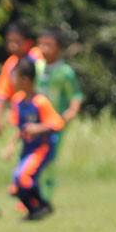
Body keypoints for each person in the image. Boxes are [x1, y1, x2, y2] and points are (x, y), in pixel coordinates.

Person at [1, 58, 65, 221]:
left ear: (25, 80)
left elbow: (58, 123)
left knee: (23, 177)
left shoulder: (40, 102)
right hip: (27, 150)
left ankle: (40, 207)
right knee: (15, 184)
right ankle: (37, 209)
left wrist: (38, 128)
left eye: (14, 76)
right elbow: (20, 129)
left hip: (42, 148)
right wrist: (10, 146)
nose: (11, 81)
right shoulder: (18, 101)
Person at [34, 29, 83, 204]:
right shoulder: (36, 67)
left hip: (55, 124)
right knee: (31, 159)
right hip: (36, 122)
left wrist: (71, 111)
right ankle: (29, 198)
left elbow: (75, 95)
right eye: (41, 44)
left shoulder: (65, 72)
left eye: (49, 45)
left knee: (49, 161)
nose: (44, 48)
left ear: (59, 49)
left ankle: (45, 198)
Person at [0, 21, 43, 138]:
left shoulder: (37, 57)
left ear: (28, 42)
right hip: (20, 117)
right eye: (9, 41)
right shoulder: (11, 63)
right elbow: (2, 93)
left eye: (17, 42)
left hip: (38, 115)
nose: (12, 45)